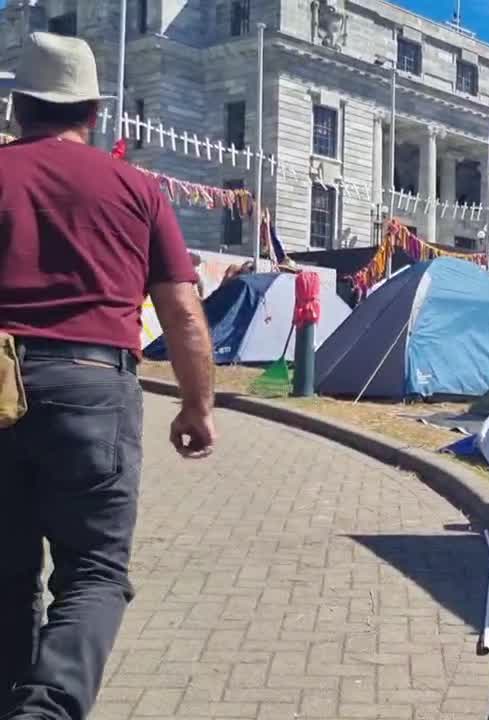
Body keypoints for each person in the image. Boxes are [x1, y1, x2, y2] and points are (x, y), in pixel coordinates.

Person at [0, 33, 216, 720]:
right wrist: (196, 406)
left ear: (17, 108)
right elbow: (180, 309)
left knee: (4, 573)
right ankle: (47, 710)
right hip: (94, 384)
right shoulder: (136, 187)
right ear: (93, 112)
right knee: (93, 571)